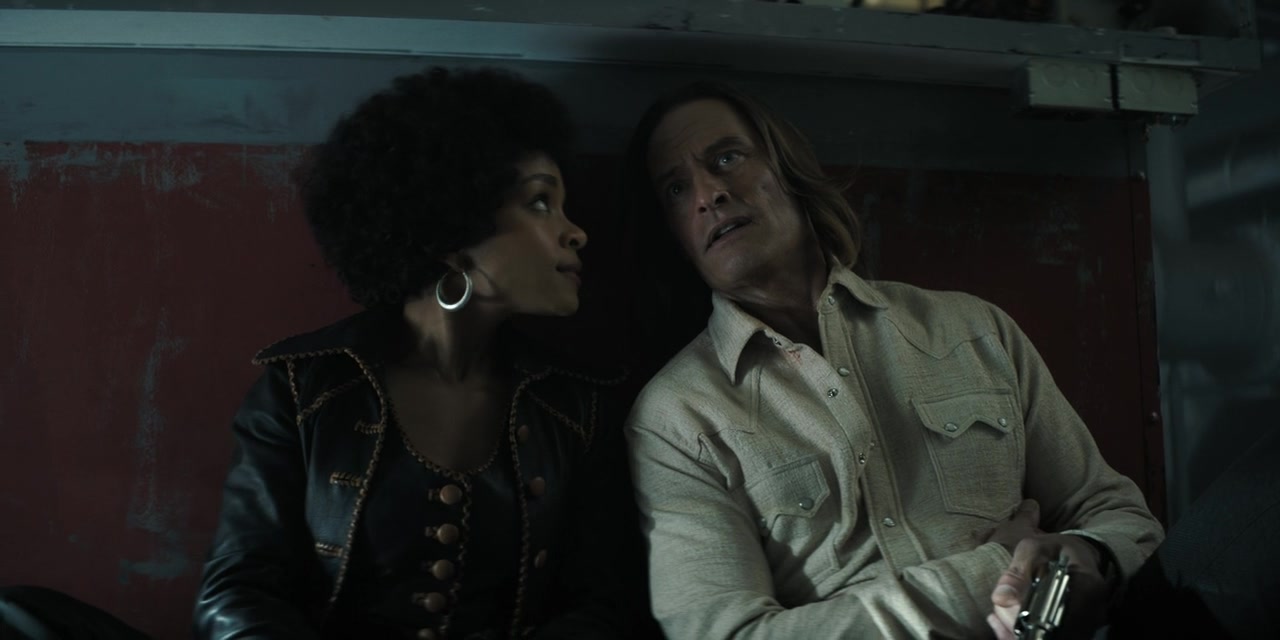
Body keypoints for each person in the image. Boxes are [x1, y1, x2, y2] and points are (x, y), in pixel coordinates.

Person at [620, 81, 1165, 639]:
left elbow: (1120, 517)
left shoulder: (972, 329)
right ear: (673, 236)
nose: (709, 194)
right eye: (676, 188)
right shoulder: (676, 416)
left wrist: (1089, 556)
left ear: (787, 168)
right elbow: (725, 634)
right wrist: (991, 573)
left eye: (727, 159)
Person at [194, 67, 656, 640]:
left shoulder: (578, 405)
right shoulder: (301, 387)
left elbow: (606, 605)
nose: (576, 232)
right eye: (541, 203)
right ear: (453, 230)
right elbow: (238, 592)